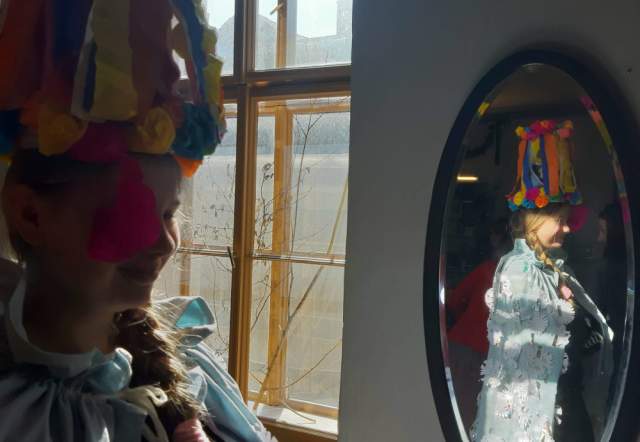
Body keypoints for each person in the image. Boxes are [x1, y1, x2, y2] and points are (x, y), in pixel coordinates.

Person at [0, 1, 274, 441]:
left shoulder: (191, 368)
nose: (165, 243)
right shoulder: (15, 413)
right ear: (31, 215)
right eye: (134, 212)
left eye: (169, 213)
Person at [470, 120, 613, 442]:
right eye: (561, 221)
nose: (567, 229)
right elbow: (523, 369)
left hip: (564, 405)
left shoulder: (554, 266)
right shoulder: (520, 270)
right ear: (536, 221)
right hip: (542, 416)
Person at [446, 218, 511, 430]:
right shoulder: (527, 278)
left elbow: (455, 300)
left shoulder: (486, 269)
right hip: (492, 354)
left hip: (463, 345)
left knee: (457, 411)